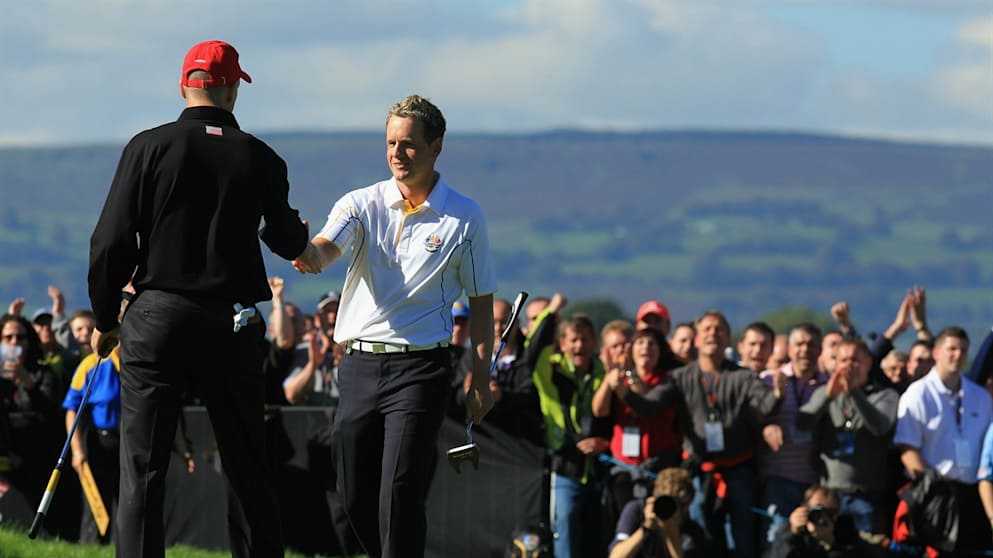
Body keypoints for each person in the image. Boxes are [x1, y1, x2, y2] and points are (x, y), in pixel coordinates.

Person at [88, 40, 310, 558]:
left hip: (158, 316)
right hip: (231, 321)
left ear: (185, 86)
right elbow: (285, 240)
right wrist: (301, 241)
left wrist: (105, 316)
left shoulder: (147, 147)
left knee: (143, 471)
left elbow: (110, 242)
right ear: (233, 88)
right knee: (248, 468)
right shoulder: (261, 157)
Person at [292, 94, 497, 558]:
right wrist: (304, 252)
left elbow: (481, 303)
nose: (397, 154)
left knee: (400, 492)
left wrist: (480, 376)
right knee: (351, 491)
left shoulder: (465, 217)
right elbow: (325, 250)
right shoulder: (360, 203)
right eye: (390, 143)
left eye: (408, 144)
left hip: (422, 369)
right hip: (360, 365)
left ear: (435, 146)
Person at [892, 326, 993, 553]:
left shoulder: (979, 397)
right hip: (935, 494)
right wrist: (931, 487)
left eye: (963, 350)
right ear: (936, 352)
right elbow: (907, 448)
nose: (957, 355)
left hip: (972, 493)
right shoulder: (918, 394)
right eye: (952, 349)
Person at [526, 294, 610, 558]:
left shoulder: (603, 372)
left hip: (601, 468)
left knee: (601, 535)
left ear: (594, 342)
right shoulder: (550, 371)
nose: (579, 346)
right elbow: (534, 349)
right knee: (565, 532)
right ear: (562, 343)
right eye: (573, 339)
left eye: (585, 339)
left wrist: (604, 442)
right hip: (564, 467)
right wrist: (550, 313)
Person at [797, 339, 899, 535]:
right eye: (843, 360)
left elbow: (880, 426)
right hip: (829, 495)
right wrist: (827, 396)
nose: (848, 366)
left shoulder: (885, 396)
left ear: (868, 363)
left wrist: (854, 392)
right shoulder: (826, 393)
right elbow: (802, 423)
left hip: (865, 495)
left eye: (855, 360)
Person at [593, 327, 682, 521]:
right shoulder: (618, 378)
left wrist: (628, 378)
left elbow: (648, 404)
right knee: (626, 523)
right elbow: (599, 410)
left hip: (658, 467)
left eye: (652, 344)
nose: (646, 348)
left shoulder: (668, 380)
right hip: (624, 468)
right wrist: (610, 379)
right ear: (631, 350)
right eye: (640, 343)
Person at [757, 323, 826, 549]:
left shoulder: (828, 386)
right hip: (778, 479)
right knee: (777, 542)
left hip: (814, 483)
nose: (805, 350)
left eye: (811, 344)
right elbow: (750, 422)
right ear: (789, 349)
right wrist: (764, 428)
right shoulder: (769, 380)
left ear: (820, 349)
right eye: (799, 344)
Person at [63, 344, 122, 544]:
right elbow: (72, 409)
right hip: (100, 442)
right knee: (96, 506)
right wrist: (77, 451)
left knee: (131, 503)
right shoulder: (91, 364)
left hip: (132, 443)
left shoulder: (140, 365)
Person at [608, 467, 705, 558]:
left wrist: (671, 531)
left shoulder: (691, 531)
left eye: (680, 504)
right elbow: (615, 556)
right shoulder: (637, 510)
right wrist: (646, 528)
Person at [767, 485, 883, 558]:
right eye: (815, 510)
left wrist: (830, 543)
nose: (820, 516)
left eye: (828, 512)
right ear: (804, 507)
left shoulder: (847, 534)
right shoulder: (789, 532)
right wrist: (792, 534)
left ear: (836, 515)